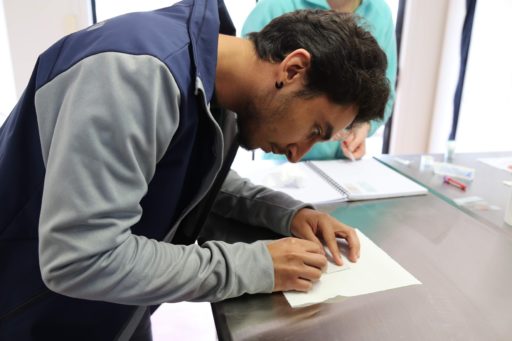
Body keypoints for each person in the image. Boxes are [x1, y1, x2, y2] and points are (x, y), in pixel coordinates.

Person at [0, 0, 389, 339]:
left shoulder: (214, 83)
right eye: (314, 130)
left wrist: (288, 213)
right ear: (292, 69)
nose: (297, 155)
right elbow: (82, 258)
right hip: (30, 316)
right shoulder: (135, 74)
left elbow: (191, 176)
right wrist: (255, 265)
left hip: (113, 309)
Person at [242, 0, 397, 160]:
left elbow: (385, 89)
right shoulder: (275, 6)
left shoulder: (380, 12)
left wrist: (363, 124)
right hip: (279, 161)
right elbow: (247, 80)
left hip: (340, 162)